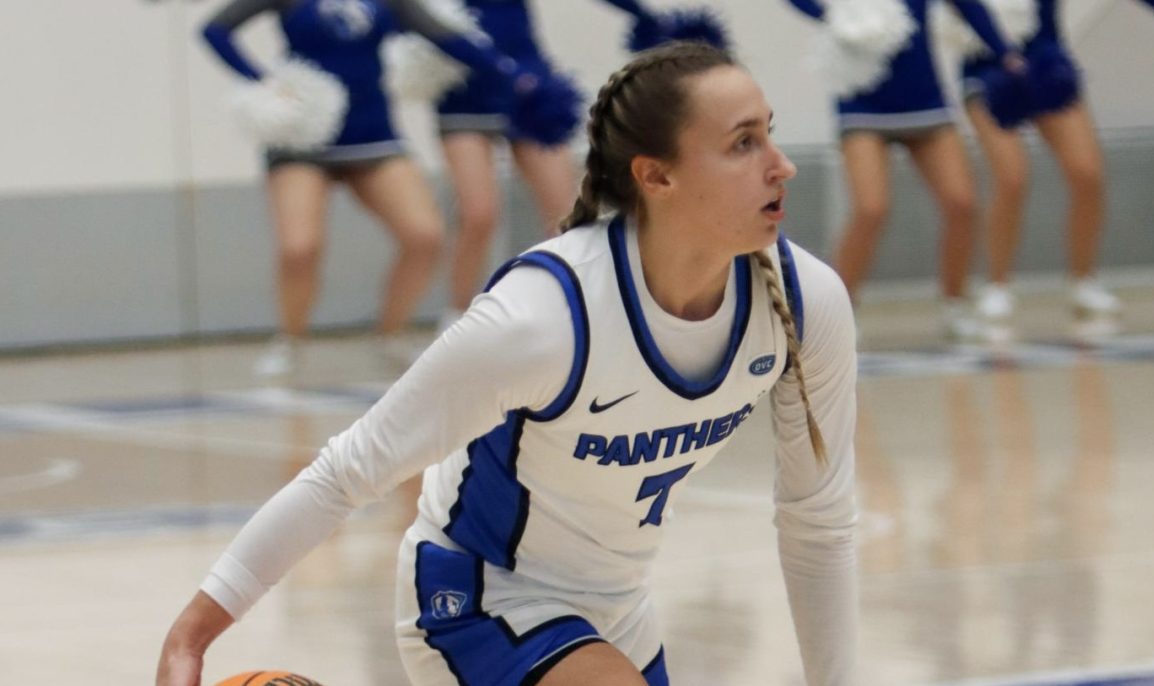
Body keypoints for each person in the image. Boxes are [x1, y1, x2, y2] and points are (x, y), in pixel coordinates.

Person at [157, 42, 859, 686]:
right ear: (656, 175)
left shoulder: (806, 303)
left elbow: (816, 522)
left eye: (768, 131)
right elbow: (351, 468)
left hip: (617, 616)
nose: (781, 163)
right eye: (744, 143)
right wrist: (191, 636)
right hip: (476, 597)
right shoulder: (543, 317)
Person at [200, 0, 546, 376]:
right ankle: (290, 341)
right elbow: (215, 30)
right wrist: (264, 80)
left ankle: (391, 334)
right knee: (299, 248)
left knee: (424, 236)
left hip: (372, 134)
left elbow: (445, 37)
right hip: (303, 135)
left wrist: (511, 73)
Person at [435, 0, 719, 330]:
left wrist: (644, 16)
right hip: (463, 87)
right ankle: (456, 322)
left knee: (568, 214)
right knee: (478, 214)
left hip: (529, 86)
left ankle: (581, 315)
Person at [785, 0, 1023, 340]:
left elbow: (969, 5)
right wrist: (832, 14)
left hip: (925, 98)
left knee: (962, 203)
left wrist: (1005, 51)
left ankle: (954, 306)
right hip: (862, 98)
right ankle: (835, 311)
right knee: (870, 209)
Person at [959, 0, 1154, 329]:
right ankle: (997, 285)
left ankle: (1083, 280)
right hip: (986, 70)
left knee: (1087, 172)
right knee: (1011, 176)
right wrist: (1003, 52)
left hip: (1046, 64)